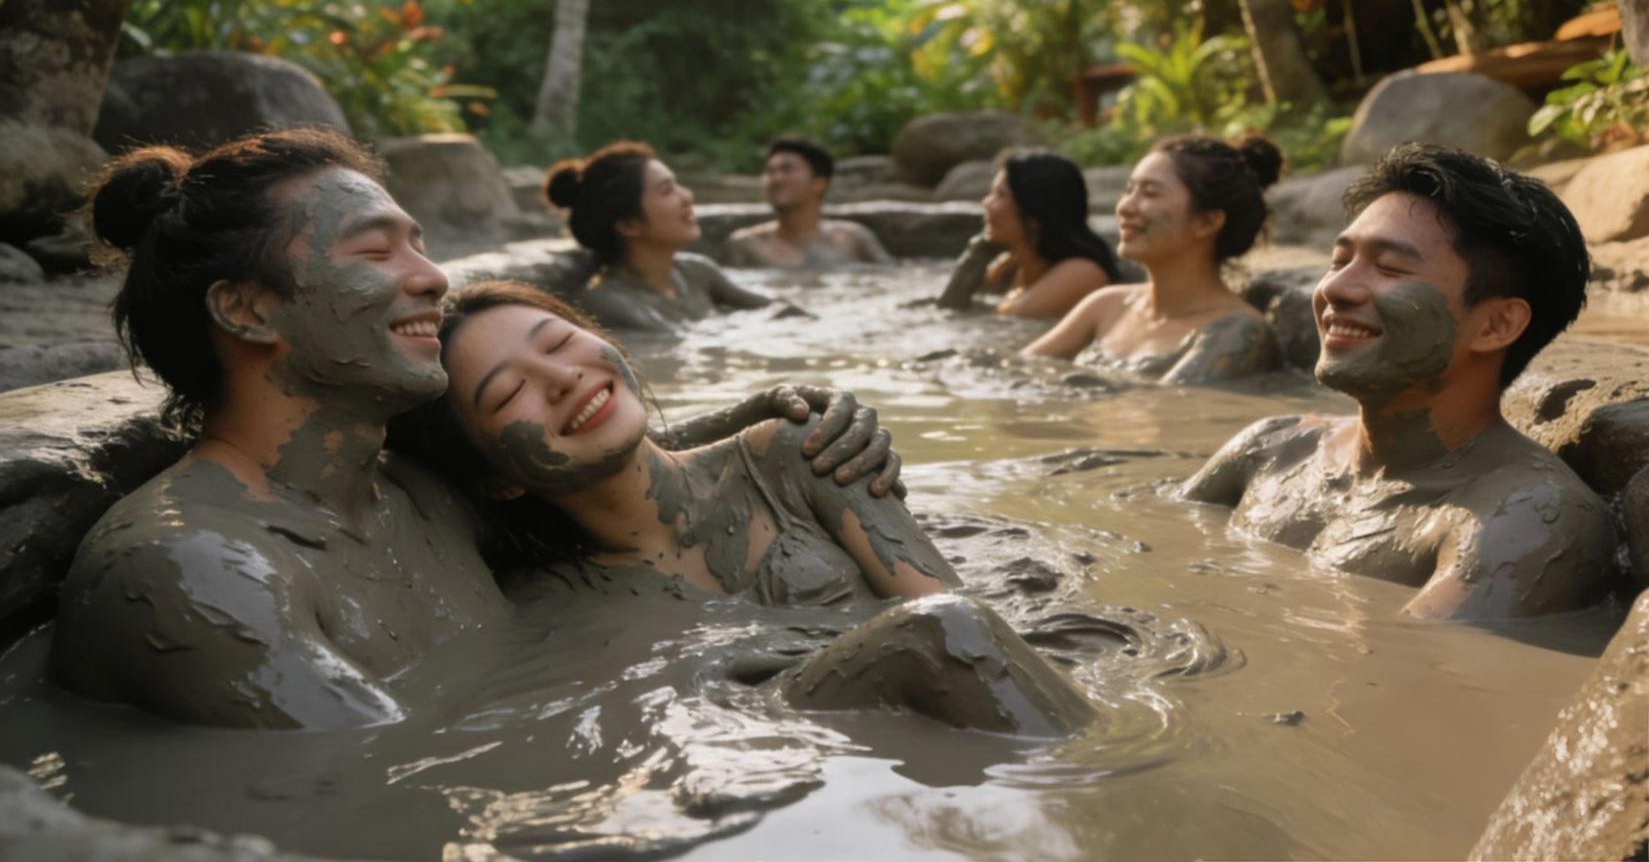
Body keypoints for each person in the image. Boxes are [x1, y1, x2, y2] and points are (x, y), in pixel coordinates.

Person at [51, 129, 903, 730]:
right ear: (246, 308)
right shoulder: (194, 571)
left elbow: (587, 454)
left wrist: (784, 415)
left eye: (418, 245)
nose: (432, 279)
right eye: (376, 253)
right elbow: (381, 780)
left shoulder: (414, 494)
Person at [386, 279, 1095, 736]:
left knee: (947, 627)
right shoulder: (556, 601)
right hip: (809, 753)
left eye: (562, 342)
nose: (565, 379)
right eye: (511, 395)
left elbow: (965, 623)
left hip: (955, 710)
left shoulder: (792, 454)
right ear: (499, 480)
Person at [1181, 144, 1616, 621]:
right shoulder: (1269, 449)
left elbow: (1406, 674)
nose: (1334, 290)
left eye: (1389, 268)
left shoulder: (1526, 516)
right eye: (1339, 260)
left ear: (1496, 325)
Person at [1021, 135, 1281, 379]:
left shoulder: (1237, 330)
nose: (1125, 207)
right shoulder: (1106, 305)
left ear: (1206, 222)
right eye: (1129, 190)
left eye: (1150, 193)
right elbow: (1019, 370)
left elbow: (1167, 412)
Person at [548, 141, 788, 332]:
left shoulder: (697, 272)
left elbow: (780, 309)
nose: (687, 196)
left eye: (677, 185)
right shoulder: (607, 302)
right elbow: (679, 344)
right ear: (629, 224)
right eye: (667, 190)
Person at [937, 150, 1118, 318]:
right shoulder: (1009, 267)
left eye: (1000, 195)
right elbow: (952, 305)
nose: (986, 202)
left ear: (1034, 212)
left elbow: (1002, 320)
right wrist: (975, 255)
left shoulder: (1081, 272)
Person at [726, 137, 893, 268]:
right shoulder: (748, 245)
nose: (776, 179)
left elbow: (891, 280)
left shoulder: (852, 239)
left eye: (787, 169)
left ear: (819, 183)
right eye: (770, 171)